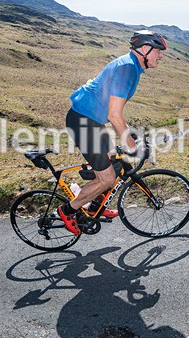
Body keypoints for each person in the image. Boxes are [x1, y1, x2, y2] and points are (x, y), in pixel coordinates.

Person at [58, 30, 167, 235]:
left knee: (115, 164)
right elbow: (115, 115)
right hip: (83, 122)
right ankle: (67, 211)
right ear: (145, 49)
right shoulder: (127, 68)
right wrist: (132, 147)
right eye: (159, 51)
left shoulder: (131, 66)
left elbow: (113, 112)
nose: (160, 56)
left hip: (91, 121)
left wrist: (128, 136)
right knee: (106, 178)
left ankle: (94, 208)